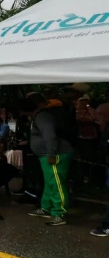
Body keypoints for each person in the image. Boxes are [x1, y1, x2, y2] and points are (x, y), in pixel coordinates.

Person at [27, 95, 75, 226]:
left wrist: (51, 154)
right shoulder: (40, 116)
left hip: (56, 153)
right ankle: (46, 207)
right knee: (50, 182)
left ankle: (59, 213)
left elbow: (49, 136)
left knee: (56, 183)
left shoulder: (43, 116)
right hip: (47, 154)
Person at [76, 94, 101, 184]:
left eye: (86, 101)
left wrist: (89, 109)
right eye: (82, 100)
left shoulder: (91, 110)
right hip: (80, 137)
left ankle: (89, 177)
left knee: (91, 158)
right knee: (82, 157)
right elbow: (79, 119)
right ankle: (82, 177)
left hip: (92, 137)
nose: (84, 102)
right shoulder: (77, 111)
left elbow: (96, 119)